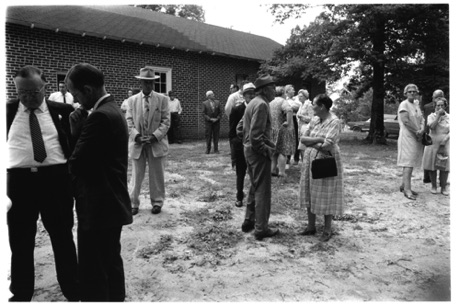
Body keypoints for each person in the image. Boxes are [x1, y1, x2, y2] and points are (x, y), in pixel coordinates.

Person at [6, 65, 79, 301]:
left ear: (44, 87)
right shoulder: (5, 111)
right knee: (20, 241)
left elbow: (75, 145)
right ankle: (21, 294)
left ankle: (73, 289)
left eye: (34, 92)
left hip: (55, 181)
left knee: (62, 237)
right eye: (22, 92)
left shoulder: (64, 111)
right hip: (18, 184)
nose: (28, 97)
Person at [65, 63, 132, 301]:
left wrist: (76, 133)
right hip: (111, 202)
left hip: (98, 205)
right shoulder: (113, 109)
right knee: (110, 261)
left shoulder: (99, 117)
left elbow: (78, 164)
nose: (76, 101)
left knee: (94, 270)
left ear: (88, 89)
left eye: (75, 94)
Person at [298, 94, 344, 242]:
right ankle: (311, 226)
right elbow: (303, 139)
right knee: (309, 190)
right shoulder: (315, 119)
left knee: (326, 193)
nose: (312, 107)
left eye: (314, 104)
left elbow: (327, 145)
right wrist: (318, 139)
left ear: (322, 106)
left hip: (326, 160)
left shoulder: (334, 122)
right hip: (310, 159)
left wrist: (312, 142)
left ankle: (327, 229)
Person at [126, 66, 170, 215]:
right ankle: (133, 203)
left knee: (157, 174)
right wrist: (136, 136)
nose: (148, 85)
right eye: (145, 82)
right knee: (136, 175)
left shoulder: (162, 99)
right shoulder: (131, 101)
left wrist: (155, 136)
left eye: (151, 82)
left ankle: (157, 202)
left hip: (155, 143)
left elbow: (166, 121)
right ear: (141, 83)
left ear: (154, 84)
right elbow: (128, 121)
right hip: (138, 143)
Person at [241, 75, 279, 240]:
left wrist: (247, 143)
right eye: (272, 87)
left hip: (249, 150)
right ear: (264, 89)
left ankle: (249, 221)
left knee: (254, 187)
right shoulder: (262, 104)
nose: (275, 91)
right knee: (262, 191)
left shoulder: (252, 103)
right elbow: (256, 135)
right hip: (257, 153)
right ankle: (261, 228)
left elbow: (240, 127)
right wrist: (266, 150)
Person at [229, 82, 255, 207]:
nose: (251, 95)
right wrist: (235, 149)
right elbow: (232, 131)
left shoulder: (259, 108)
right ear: (244, 96)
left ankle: (253, 199)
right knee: (241, 173)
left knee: (254, 175)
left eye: (253, 93)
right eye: (248, 93)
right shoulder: (237, 109)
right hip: (240, 148)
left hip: (255, 148)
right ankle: (239, 196)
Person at [397, 84, 425, 200]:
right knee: (408, 163)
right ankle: (407, 190)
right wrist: (417, 131)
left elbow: (422, 119)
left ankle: (404, 185)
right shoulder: (404, 104)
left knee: (412, 161)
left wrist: (422, 129)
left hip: (416, 136)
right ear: (405, 93)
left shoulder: (416, 104)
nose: (412, 93)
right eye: (410, 92)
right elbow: (406, 121)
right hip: (407, 137)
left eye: (414, 91)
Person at [422, 97, 450, 195]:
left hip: (445, 142)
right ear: (435, 106)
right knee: (432, 165)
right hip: (432, 142)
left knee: (445, 166)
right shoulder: (431, 116)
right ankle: (434, 186)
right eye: (438, 105)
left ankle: (443, 187)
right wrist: (438, 116)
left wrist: (445, 140)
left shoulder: (450, 117)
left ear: (446, 106)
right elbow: (432, 127)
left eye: (442, 105)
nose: (440, 107)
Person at [270, 86, 295, 178]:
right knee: (282, 151)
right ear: (283, 93)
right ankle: (281, 172)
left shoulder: (270, 102)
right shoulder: (283, 101)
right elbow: (289, 110)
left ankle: (272, 170)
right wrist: (288, 122)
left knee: (274, 151)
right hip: (281, 129)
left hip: (272, 129)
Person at [422, 89, 444, 184]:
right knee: (431, 156)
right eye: (436, 97)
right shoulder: (428, 107)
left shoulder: (428, 106)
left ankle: (429, 177)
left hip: (436, 134)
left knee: (434, 156)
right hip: (431, 133)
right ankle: (431, 177)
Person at [226, 81, 247, 167]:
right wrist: (232, 119)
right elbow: (228, 109)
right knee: (235, 142)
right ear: (241, 88)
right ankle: (234, 162)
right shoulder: (233, 96)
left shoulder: (250, 96)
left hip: (246, 122)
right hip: (236, 121)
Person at [284, 84, 301, 167]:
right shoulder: (284, 99)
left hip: (295, 119)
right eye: (292, 90)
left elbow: (298, 107)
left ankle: (296, 158)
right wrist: (292, 107)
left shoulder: (297, 99)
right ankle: (287, 157)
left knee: (296, 138)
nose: (294, 91)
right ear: (287, 91)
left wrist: (291, 106)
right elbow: (289, 108)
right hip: (287, 119)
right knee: (288, 138)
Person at [296, 89, 314, 161]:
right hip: (300, 128)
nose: (299, 98)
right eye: (298, 96)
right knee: (301, 148)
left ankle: (306, 164)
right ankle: (304, 163)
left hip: (306, 128)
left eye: (301, 96)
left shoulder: (309, 105)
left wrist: (302, 117)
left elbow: (312, 118)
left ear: (305, 96)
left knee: (303, 147)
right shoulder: (301, 105)